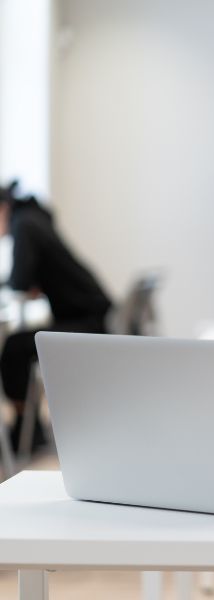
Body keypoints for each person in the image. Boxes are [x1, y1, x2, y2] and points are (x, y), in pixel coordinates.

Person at [0, 180, 112, 453]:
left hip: (85, 321)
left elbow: (19, 280)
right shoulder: (33, 219)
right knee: (19, 343)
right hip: (93, 314)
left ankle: (26, 428)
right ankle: (29, 426)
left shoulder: (23, 224)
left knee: (14, 347)